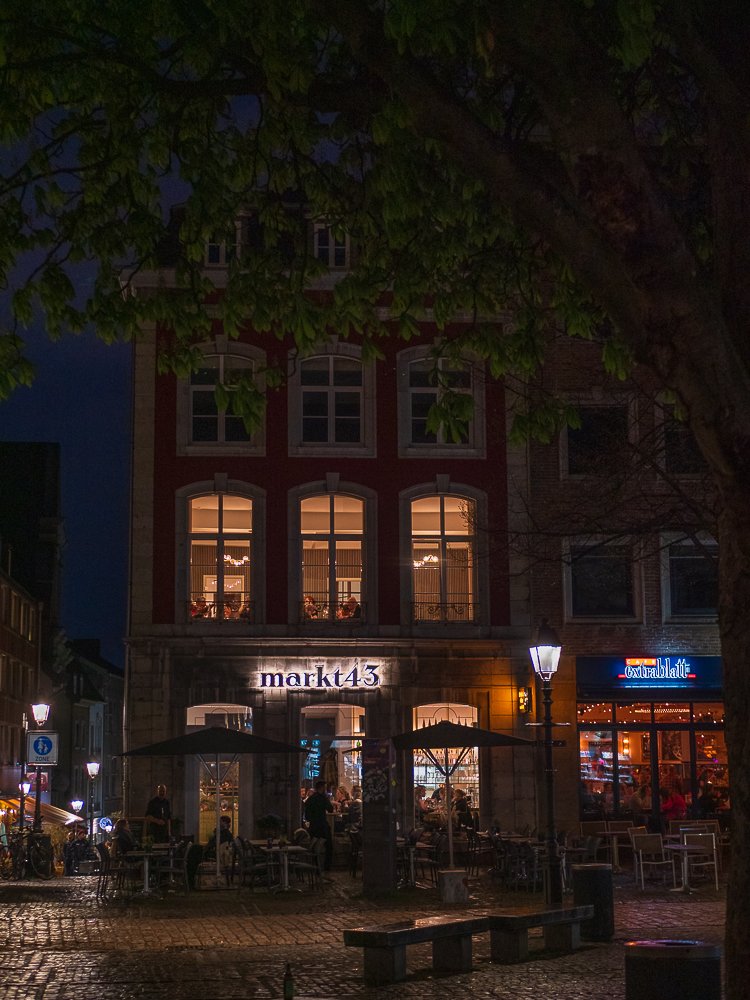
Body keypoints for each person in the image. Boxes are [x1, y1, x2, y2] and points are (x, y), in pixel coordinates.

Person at [304, 779, 334, 872]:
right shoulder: (323, 798)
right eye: (325, 787)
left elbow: (307, 815)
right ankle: (326, 867)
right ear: (322, 788)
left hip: (313, 826)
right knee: (329, 847)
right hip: (323, 826)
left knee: (314, 848)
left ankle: (316, 867)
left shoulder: (310, 799)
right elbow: (330, 809)